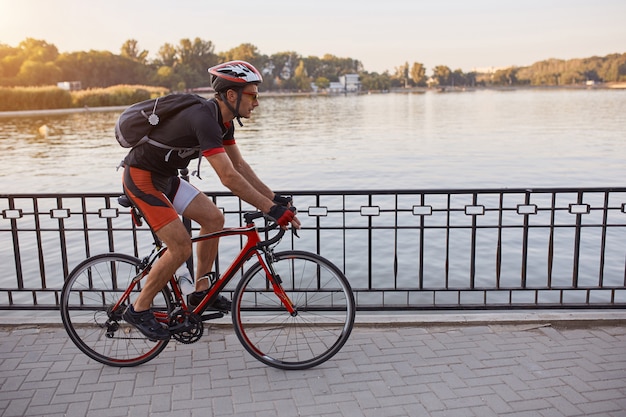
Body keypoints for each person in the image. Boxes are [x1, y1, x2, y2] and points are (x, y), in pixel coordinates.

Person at [121, 60, 301, 340]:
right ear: (232, 95)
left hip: (166, 180)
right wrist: (271, 210)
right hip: (142, 179)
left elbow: (240, 167)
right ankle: (139, 308)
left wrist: (274, 198)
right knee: (180, 247)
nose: (257, 103)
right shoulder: (203, 118)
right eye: (253, 96)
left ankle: (200, 292)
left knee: (214, 218)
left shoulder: (224, 123)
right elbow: (227, 177)